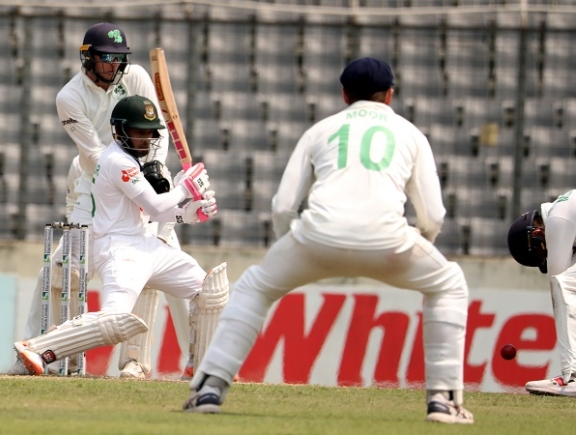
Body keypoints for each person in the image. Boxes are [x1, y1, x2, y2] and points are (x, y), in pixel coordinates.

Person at [182, 57, 474, 425]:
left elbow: (283, 205)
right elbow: (433, 215)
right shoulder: (411, 134)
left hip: (315, 238)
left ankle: (209, 388)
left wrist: (293, 249)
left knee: (254, 287)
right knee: (449, 284)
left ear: (344, 94)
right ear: (390, 95)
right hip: (389, 242)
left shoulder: (320, 130)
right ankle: (444, 401)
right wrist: (421, 242)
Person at [12, 23, 192, 378]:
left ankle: (197, 361)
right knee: (59, 271)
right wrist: (138, 176)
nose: (113, 65)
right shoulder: (70, 96)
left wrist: (155, 166)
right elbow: (95, 155)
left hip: (145, 182)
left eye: (118, 58)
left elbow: (157, 131)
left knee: (174, 270)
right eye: (106, 58)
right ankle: (33, 351)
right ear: (87, 58)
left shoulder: (137, 76)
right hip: (94, 191)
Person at [13, 95, 227, 377]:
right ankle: (38, 348)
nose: (145, 139)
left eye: (149, 133)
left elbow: (151, 213)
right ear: (120, 130)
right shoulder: (117, 161)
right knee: (114, 320)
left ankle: (204, 367)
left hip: (145, 244)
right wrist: (186, 188)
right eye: (138, 132)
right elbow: (154, 205)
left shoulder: (131, 161)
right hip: (119, 251)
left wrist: (187, 213)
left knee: (208, 289)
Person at [507, 189, 576, 397]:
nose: (547, 252)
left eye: (542, 251)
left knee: (562, 286)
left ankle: (571, 377)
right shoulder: (565, 208)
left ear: (536, 235)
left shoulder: (557, 218)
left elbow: (558, 283)